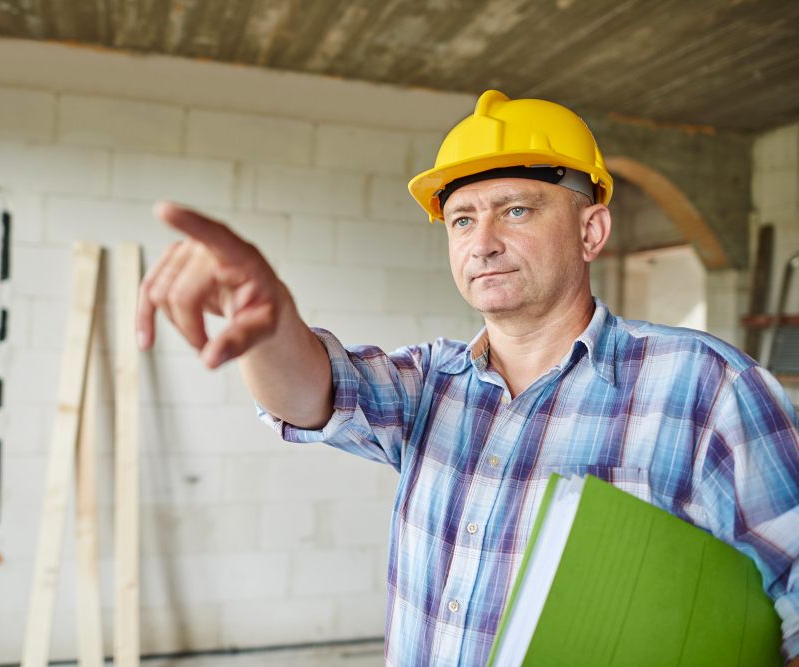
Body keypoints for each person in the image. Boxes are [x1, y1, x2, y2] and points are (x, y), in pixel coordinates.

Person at [136, 90, 799, 666]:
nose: (481, 241)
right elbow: (314, 394)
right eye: (461, 218)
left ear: (591, 229)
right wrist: (271, 315)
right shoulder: (433, 382)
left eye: (515, 210)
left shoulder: (709, 389)